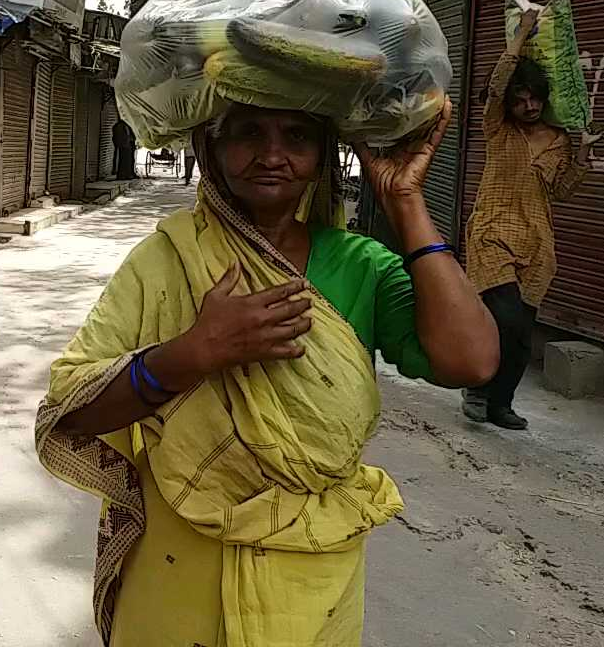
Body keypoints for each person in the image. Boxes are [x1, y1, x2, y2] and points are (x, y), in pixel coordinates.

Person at [35, 101, 499, 647]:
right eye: (248, 133)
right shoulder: (165, 260)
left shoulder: (359, 265)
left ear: (322, 155)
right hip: (178, 567)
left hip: (313, 581)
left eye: (297, 137)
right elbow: (71, 411)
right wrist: (193, 354)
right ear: (211, 148)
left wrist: (404, 200)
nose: (272, 155)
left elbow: (471, 361)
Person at [463, 9, 602, 430]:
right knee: (502, 318)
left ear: (544, 99)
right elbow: (495, 87)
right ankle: (477, 391)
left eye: (534, 99)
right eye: (520, 99)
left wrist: (581, 152)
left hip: (537, 245)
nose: (527, 106)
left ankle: (501, 405)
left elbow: (560, 192)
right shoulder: (498, 129)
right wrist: (522, 34)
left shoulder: (558, 141)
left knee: (522, 335)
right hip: (492, 234)